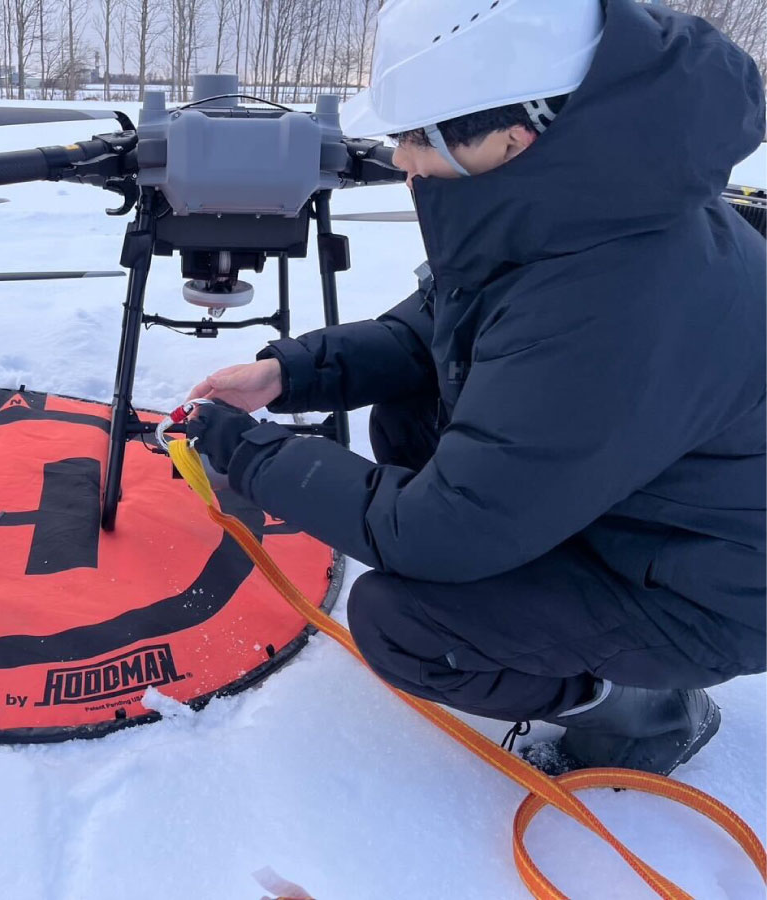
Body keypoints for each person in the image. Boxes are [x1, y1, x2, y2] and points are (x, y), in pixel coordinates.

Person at [187, 0, 765, 775]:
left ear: (512, 137)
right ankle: (529, 567)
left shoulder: (612, 301)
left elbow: (438, 532)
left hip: (704, 587)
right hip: (637, 500)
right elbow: (437, 328)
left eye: (418, 137)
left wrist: (252, 456)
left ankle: (648, 716)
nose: (402, 160)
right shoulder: (590, 201)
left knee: (406, 624)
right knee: (411, 412)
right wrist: (291, 372)